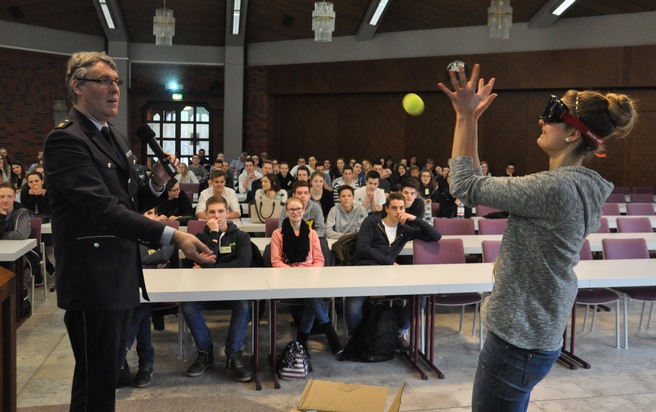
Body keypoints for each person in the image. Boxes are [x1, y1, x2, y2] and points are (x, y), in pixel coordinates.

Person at [438, 63, 637, 411]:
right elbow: (472, 183)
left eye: (552, 114)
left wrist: (464, 118)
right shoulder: (581, 186)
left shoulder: (554, 188)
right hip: (537, 333)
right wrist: (471, 120)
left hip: (517, 339)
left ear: (574, 134)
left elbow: (464, 186)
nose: (542, 120)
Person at [42, 51, 213, 412]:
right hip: (93, 279)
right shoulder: (66, 140)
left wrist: (157, 182)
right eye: (103, 81)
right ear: (77, 86)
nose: (114, 89)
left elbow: (131, 199)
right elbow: (103, 210)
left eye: (116, 82)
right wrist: (174, 236)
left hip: (120, 274)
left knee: (108, 376)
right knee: (95, 381)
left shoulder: (114, 137)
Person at [345, 193, 441, 344]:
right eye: (394, 208)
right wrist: (389, 262)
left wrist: (414, 218)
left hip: (389, 275)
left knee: (421, 297)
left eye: (401, 208)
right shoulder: (372, 222)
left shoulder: (404, 230)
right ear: (387, 209)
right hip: (366, 270)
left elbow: (435, 235)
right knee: (353, 305)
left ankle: (399, 332)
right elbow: (363, 248)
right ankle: (357, 339)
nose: (398, 211)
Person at [181, 195, 253, 382]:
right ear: (205, 215)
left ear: (228, 213)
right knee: (188, 306)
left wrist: (209, 266)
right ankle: (205, 352)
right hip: (205, 291)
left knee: (244, 304)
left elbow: (243, 264)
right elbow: (194, 264)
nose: (217, 216)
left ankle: (233, 355)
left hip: (233, 290)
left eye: (221, 211)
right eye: (212, 212)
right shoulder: (198, 238)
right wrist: (213, 236)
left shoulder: (242, 236)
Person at [270, 196, 342, 355]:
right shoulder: (278, 233)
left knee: (311, 295)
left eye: (298, 209)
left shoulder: (312, 233)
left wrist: (307, 275)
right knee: (313, 296)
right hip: (286, 276)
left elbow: (319, 260)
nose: (295, 212)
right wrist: (295, 275)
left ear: (303, 211)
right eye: (292, 209)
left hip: (309, 276)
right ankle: (330, 333)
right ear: (286, 211)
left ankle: (301, 341)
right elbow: (276, 262)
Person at [123, 207, 176, 388]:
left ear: (157, 216)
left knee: (142, 304)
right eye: (143, 213)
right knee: (142, 307)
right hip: (133, 286)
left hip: (161, 287)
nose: (147, 217)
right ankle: (146, 364)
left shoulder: (165, 235)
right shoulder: (130, 234)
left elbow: (165, 254)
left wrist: (138, 261)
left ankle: (124, 347)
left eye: (150, 213)